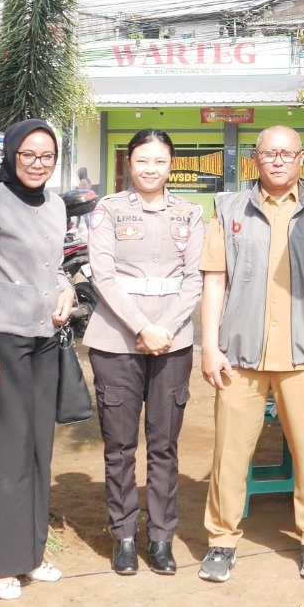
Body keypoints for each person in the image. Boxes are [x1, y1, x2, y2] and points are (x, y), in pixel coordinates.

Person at [197, 126, 304, 583]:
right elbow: (214, 280)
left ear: (303, 159)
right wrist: (209, 346)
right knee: (229, 454)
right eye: (268, 153)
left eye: (287, 154)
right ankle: (221, 541)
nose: (278, 161)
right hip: (240, 354)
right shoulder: (229, 209)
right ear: (254, 159)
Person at [0, 119, 77, 601]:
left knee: (37, 448)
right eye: (27, 154)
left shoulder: (56, 203)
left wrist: (67, 290)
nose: (37, 163)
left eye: (46, 156)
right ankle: (4, 564)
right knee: (6, 453)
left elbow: (53, 266)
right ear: (10, 155)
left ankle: (33, 551)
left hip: (45, 339)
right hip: (1, 342)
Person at [84, 129, 204, 576]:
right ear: (129, 164)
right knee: (118, 446)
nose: (150, 169)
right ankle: (125, 537)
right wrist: (142, 327)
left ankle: (160, 538)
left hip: (172, 342)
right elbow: (103, 274)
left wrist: (165, 328)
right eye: (142, 161)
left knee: (164, 446)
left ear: (171, 164)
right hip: (117, 339)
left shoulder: (190, 214)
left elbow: (195, 278)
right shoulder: (108, 211)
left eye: (159, 161)